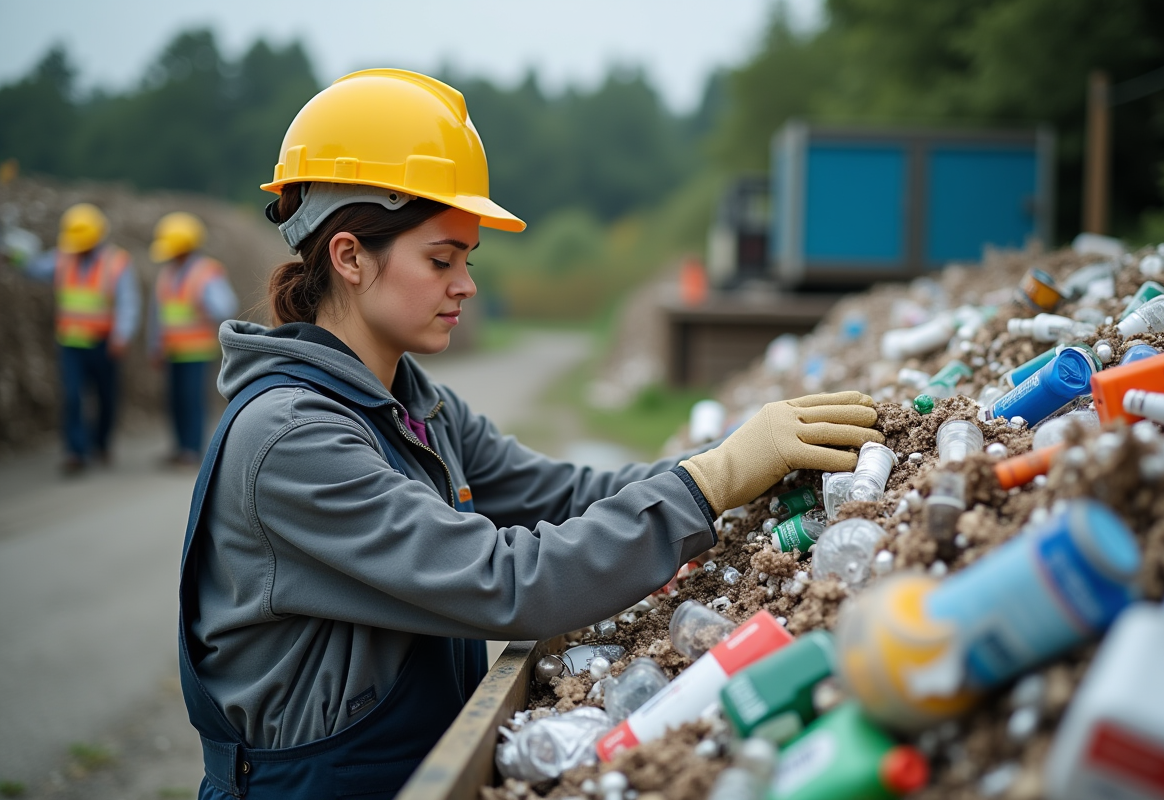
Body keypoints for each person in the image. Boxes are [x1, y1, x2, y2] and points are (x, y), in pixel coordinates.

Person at [178, 69, 884, 800]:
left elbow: (568, 494)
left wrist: (735, 463)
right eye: (440, 259)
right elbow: (511, 582)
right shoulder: (291, 443)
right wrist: (711, 483)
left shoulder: (414, 407)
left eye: (467, 261)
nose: (466, 285)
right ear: (350, 256)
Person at [22, 203, 140, 473]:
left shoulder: (116, 263)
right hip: (71, 344)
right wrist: (15, 256)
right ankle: (76, 451)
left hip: (104, 344)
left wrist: (121, 335)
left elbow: (128, 302)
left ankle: (100, 443)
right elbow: (33, 268)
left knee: (106, 397)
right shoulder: (62, 258)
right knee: (73, 396)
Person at [148, 211, 238, 465]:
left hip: (196, 350)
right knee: (175, 401)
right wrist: (155, 345)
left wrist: (205, 305)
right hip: (172, 350)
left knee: (192, 400)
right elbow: (158, 314)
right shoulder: (167, 274)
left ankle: (192, 449)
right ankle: (180, 447)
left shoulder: (207, 272)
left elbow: (226, 305)